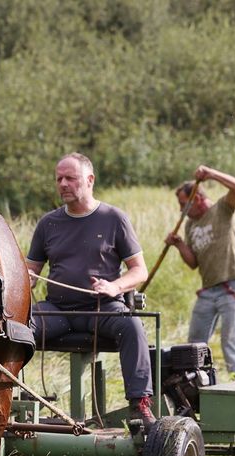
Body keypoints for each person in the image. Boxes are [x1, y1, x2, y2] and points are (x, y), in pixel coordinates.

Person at [26, 153, 155, 429]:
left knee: (132, 327)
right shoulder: (48, 223)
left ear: (89, 180)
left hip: (102, 309)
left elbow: (139, 271)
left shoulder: (114, 218)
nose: (63, 184)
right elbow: (30, 273)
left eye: (70, 178)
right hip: (58, 310)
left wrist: (114, 286)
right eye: (59, 178)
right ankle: (13, 398)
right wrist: (22, 279)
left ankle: (140, 404)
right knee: (16, 327)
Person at [164, 165, 235, 379]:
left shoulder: (222, 209)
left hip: (232, 285)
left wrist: (211, 174)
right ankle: (197, 384)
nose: (181, 211)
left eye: (184, 205)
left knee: (229, 339)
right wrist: (179, 244)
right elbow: (193, 262)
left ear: (198, 199)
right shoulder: (191, 225)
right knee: (195, 342)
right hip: (208, 290)